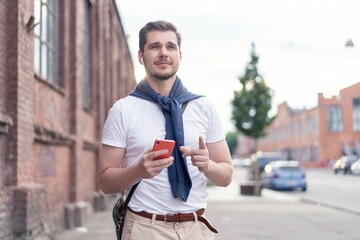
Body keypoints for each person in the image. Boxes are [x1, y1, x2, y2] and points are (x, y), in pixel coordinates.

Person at [98, 20, 233, 240]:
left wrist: (207, 165)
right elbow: (105, 182)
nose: (163, 53)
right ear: (141, 56)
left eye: (170, 47)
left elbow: (226, 175)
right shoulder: (123, 109)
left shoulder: (204, 107)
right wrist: (138, 171)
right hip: (144, 228)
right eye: (155, 47)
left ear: (180, 55)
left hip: (196, 228)